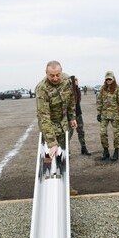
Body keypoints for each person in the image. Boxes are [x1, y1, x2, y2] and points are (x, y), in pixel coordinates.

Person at [35, 60, 78, 195]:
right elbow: (44, 117)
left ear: (61, 72)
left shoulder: (67, 80)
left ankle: (65, 187)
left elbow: (71, 99)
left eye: (57, 75)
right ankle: (48, 188)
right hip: (50, 127)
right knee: (49, 157)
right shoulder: (42, 89)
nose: (55, 78)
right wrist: (52, 143)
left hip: (64, 125)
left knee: (64, 156)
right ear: (46, 73)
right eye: (51, 75)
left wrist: (72, 117)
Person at [96, 71, 119, 161]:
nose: (108, 80)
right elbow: (99, 101)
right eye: (107, 79)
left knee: (116, 134)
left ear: (113, 79)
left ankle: (116, 151)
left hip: (115, 115)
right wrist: (98, 113)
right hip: (104, 114)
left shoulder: (118, 89)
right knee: (102, 133)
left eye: (110, 79)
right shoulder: (103, 89)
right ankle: (106, 151)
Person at [70, 76, 91, 156]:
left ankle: (83, 148)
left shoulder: (78, 90)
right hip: (71, 116)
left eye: (77, 81)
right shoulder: (69, 91)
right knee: (69, 133)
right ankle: (67, 151)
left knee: (81, 132)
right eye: (75, 81)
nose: (76, 82)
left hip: (78, 114)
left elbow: (78, 101)